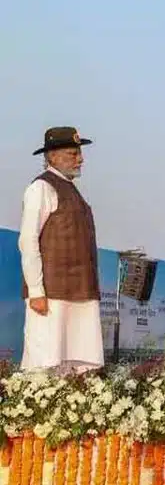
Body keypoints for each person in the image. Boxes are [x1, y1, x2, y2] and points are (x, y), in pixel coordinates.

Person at [18, 127, 104, 373]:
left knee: (77, 364)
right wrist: (36, 291)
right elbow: (28, 239)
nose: (80, 159)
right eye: (73, 153)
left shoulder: (71, 190)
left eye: (79, 153)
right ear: (52, 156)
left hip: (81, 293)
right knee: (45, 363)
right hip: (51, 295)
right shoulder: (41, 188)